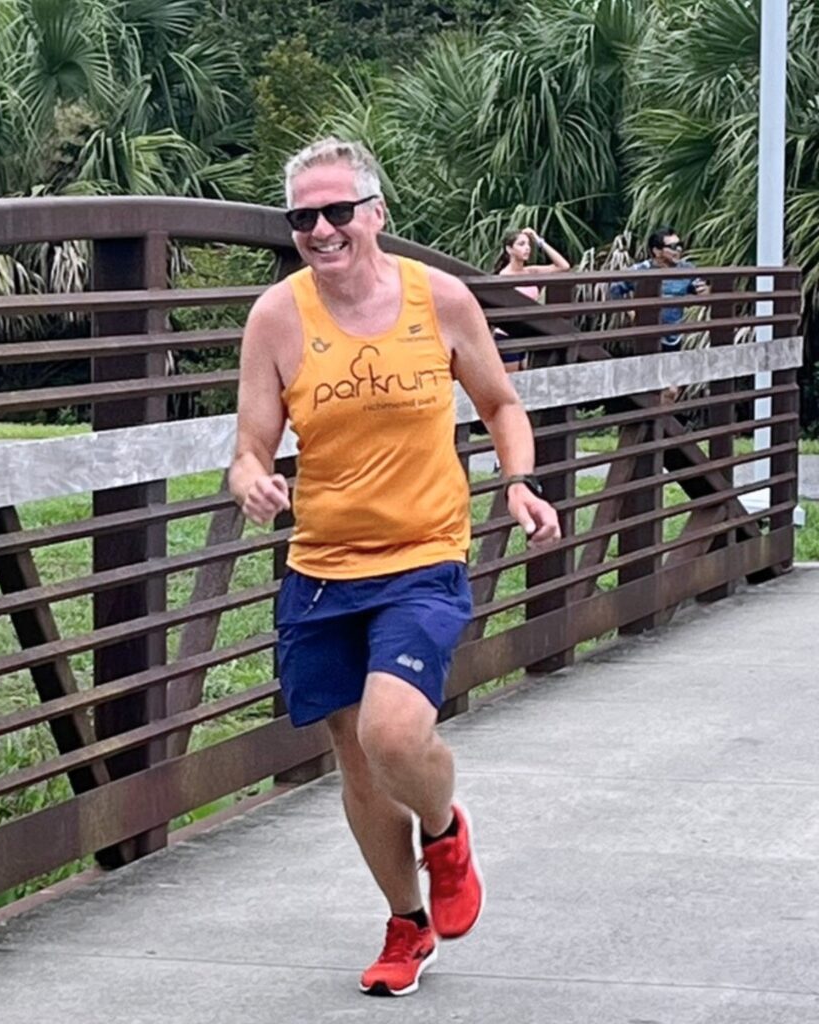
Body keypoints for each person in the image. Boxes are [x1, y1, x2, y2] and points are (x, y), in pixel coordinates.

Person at [229, 138, 560, 998]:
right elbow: (249, 446)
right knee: (356, 756)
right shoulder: (277, 317)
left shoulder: (439, 299)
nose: (322, 229)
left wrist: (519, 481)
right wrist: (252, 479)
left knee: (393, 733)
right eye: (304, 217)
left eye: (339, 210)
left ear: (376, 213)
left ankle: (446, 830)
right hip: (321, 569)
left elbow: (499, 402)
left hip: (422, 555)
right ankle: (406, 924)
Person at [609, 226, 709, 351]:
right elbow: (614, 288)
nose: (678, 250)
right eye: (672, 247)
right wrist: (631, 312)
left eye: (680, 245)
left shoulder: (687, 268)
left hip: (674, 336)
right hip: (647, 335)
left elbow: (699, 289)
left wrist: (704, 291)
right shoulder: (641, 270)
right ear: (657, 251)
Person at [491, 227, 570, 373]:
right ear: (509, 249)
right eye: (521, 244)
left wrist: (538, 240)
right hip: (507, 335)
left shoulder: (530, 271)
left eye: (528, 244)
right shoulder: (503, 277)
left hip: (526, 334)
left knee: (526, 377)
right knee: (513, 381)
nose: (527, 248)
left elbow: (563, 266)